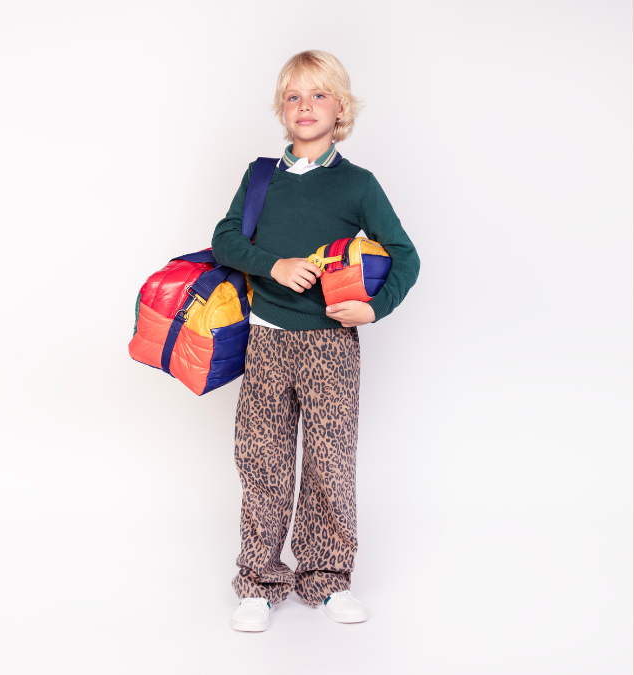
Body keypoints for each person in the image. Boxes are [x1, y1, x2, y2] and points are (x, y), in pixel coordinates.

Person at [211, 50, 420, 632]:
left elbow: (405, 254)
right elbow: (225, 239)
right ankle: (259, 582)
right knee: (263, 461)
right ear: (282, 109)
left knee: (330, 464)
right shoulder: (260, 177)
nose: (306, 106)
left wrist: (374, 308)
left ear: (341, 108)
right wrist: (273, 266)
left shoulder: (358, 185)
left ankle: (326, 579)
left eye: (319, 95)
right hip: (266, 340)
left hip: (331, 347)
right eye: (294, 96)